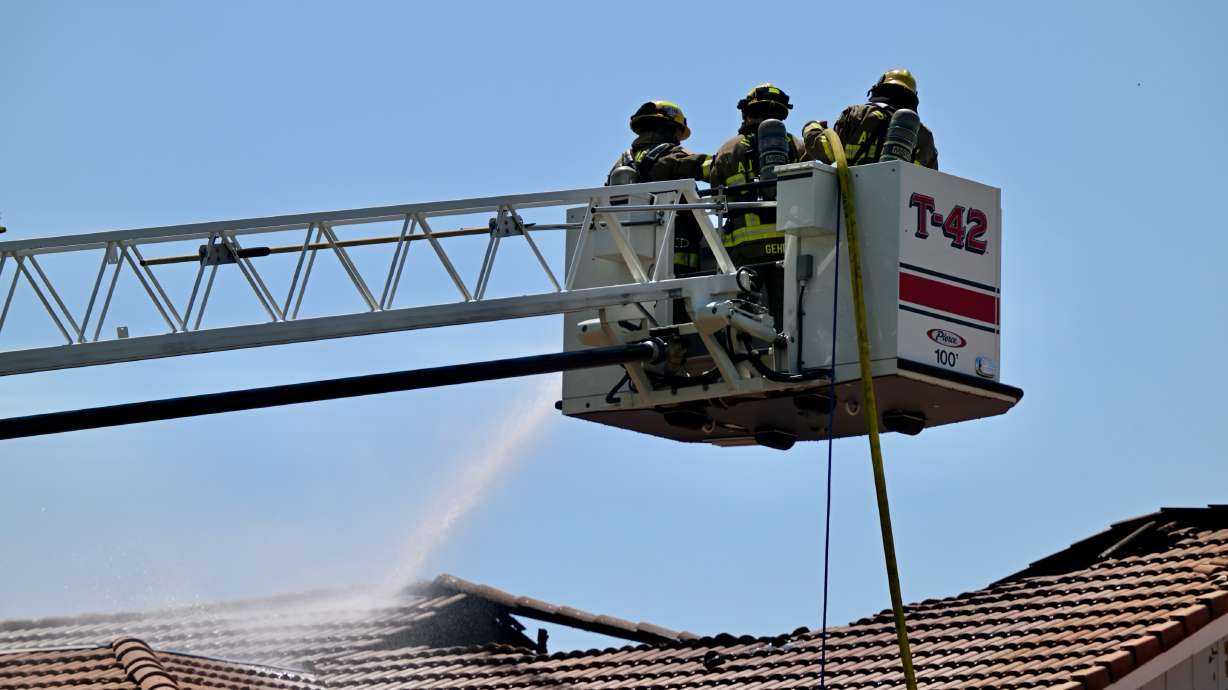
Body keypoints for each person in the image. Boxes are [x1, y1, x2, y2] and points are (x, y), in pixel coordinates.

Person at [708, 84, 803, 330]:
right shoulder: (797, 146)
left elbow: (717, 192)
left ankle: (743, 348)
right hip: (787, 244)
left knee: (742, 315)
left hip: (745, 248)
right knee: (789, 316)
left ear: (746, 113)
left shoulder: (729, 149)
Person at [607, 100, 711, 278]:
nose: (678, 138)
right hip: (676, 260)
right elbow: (712, 167)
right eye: (678, 131)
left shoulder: (620, 164)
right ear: (668, 128)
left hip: (628, 260)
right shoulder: (672, 155)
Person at [803, 68, 938, 169]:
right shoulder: (924, 135)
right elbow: (932, 183)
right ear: (913, 98)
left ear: (879, 88)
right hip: (902, 199)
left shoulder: (857, 114)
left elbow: (825, 152)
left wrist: (812, 127)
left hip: (852, 196)